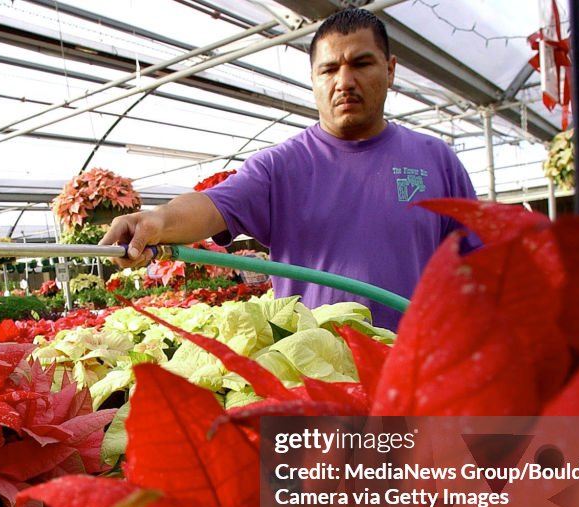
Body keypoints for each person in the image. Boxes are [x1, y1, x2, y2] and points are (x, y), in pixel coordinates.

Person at [101, 8, 478, 331]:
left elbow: (478, 266)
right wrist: (156, 221)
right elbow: (213, 206)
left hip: (417, 375)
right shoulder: (280, 167)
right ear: (313, 79)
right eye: (329, 70)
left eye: (361, 64)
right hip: (313, 378)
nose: (344, 82)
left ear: (390, 70)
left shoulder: (437, 160)